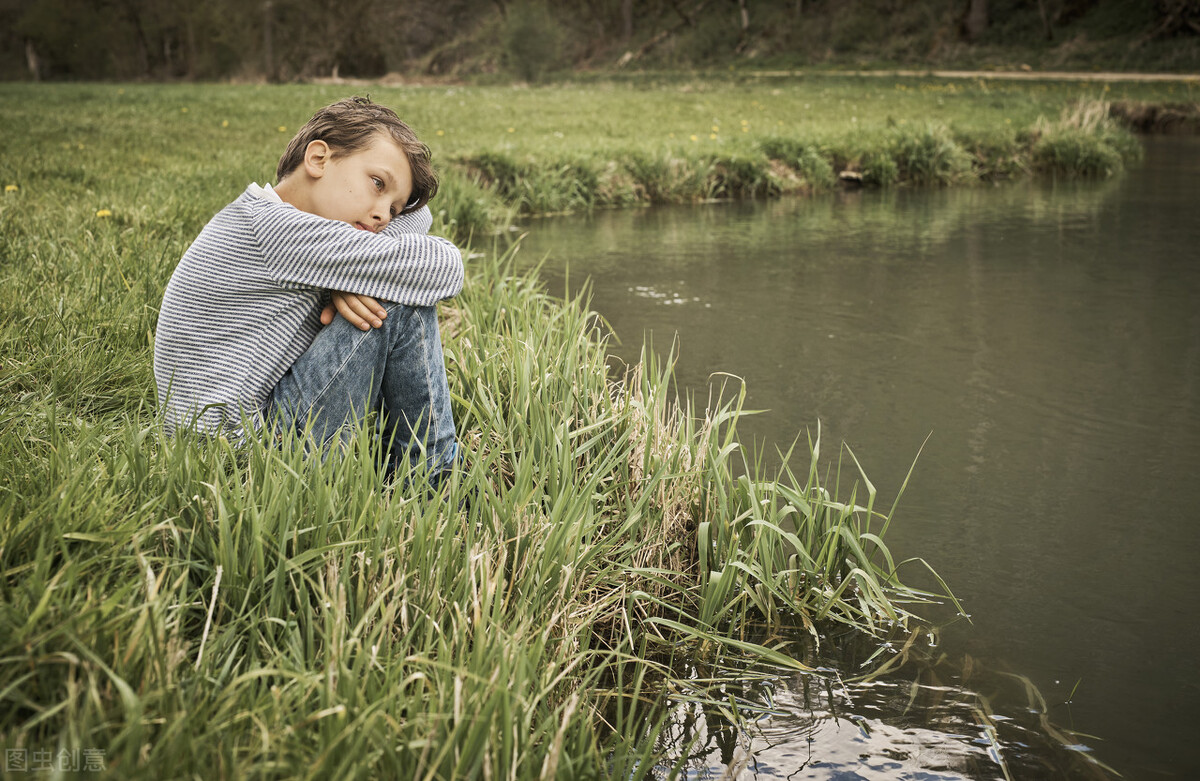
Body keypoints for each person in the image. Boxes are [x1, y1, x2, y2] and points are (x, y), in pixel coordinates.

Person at [153, 96, 463, 482]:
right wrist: (362, 275)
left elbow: (421, 215)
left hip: (213, 443)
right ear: (318, 159)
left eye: (393, 208)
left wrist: (348, 278)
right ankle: (437, 478)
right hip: (242, 455)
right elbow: (445, 268)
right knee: (398, 298)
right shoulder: (279, 233)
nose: (384, 215)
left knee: (390, 279)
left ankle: (401, 462)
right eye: (377, 183)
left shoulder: (271, 218)